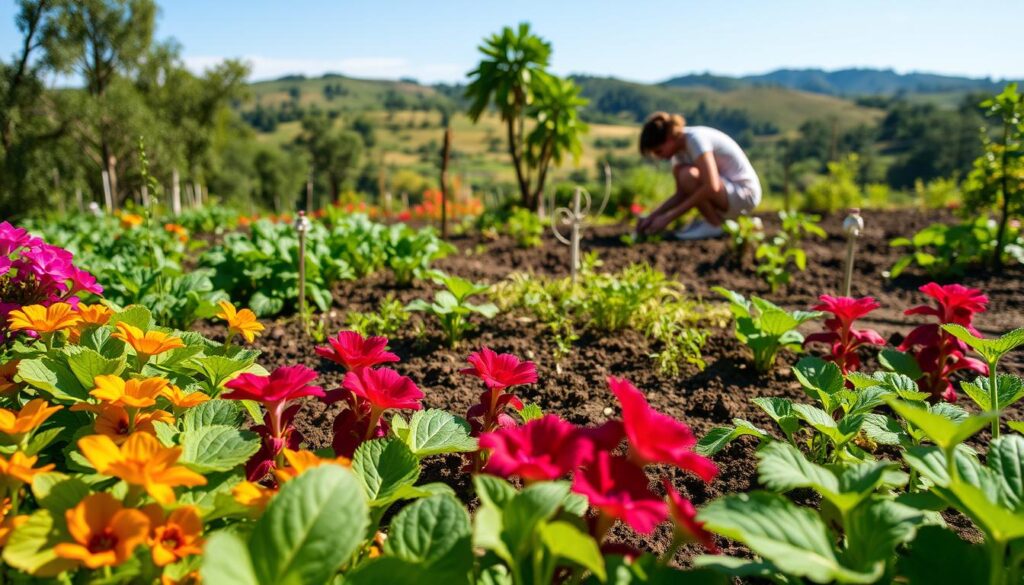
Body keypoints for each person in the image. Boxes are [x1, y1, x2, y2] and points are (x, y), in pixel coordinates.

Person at [635, 112, 761, 240]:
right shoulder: (678, 152)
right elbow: (681, 194)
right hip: (728, 193)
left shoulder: (695, 140)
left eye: (659, 151)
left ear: (669, 138)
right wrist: (652, 216)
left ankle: (714, 225)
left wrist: (668, 218)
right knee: (686, 175)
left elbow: (711, 186)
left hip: (744, 195)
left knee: (687, 175)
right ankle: (713, 222)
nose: (659, 157)